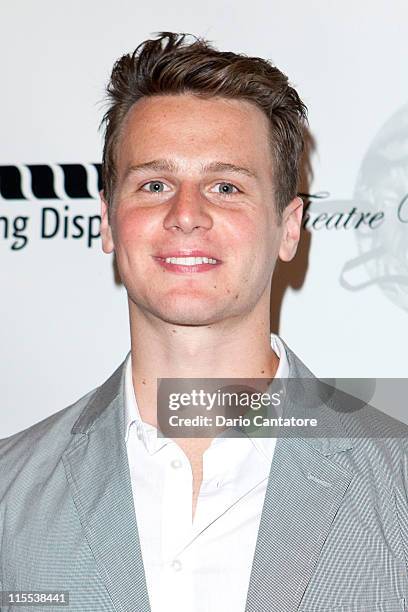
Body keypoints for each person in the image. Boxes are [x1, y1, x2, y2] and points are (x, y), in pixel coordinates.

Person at [1, 31, 407, 612]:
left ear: (289, 227)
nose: (186, 214)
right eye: (155, 184)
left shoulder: (398, 484)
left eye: (225, 186)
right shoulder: (10, 494)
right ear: (109, 223)